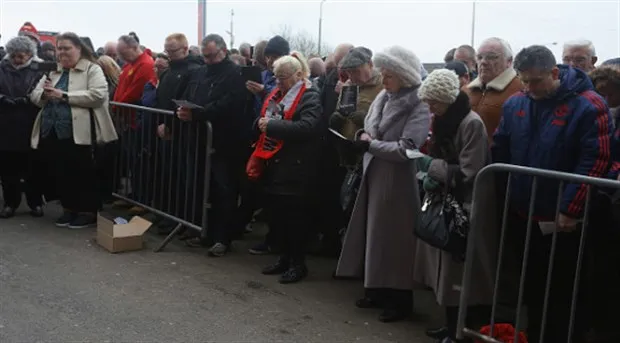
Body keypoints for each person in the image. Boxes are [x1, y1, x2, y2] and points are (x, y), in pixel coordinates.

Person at [493, 45, 612, 343]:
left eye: (536, 81)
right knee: (530, 284)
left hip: (563, 219)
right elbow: (502, 147)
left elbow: (595, 158)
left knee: (563, 289)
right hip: (523, 211)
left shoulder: (589, 105)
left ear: (554, 73)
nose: (530, 89)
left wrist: (570, 208)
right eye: (524, 81)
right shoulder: (515, 104)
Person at [335, 46, 431, 323]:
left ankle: (400, 299)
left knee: (396, 240)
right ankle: (375, 288)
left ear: (403, 74)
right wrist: (365, 135)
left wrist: (370, 143)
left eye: (389, 74)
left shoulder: (418, 103)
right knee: (374, 234)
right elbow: (371, 127)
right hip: (375, 173)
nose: (384, 78)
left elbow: (408, 148)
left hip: (398, 180)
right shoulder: (384, 96)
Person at [413, 69, 495, 342]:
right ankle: (451, 325)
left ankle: (464, 330)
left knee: (462, 271)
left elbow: (469, 170)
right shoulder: (444, 119)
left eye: (434, 101)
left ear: (448, 98)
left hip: (468, 204)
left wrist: (430, 168)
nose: (430, 107)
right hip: (449, 199)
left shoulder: (471, 123)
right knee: (447, 270)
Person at [29, 32, 118, 228]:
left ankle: (87, 211)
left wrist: (64, 95)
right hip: (52, 130)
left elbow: (98, 95)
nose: (62, 52)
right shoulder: (53, 71)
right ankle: (69, 209)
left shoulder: (92, 69)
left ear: (79, 49)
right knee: (60, 171)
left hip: (80, 130)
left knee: (82, 172)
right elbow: (35, 97)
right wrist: (44, 93)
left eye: (66, 48)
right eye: (59, 48)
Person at [251, 52, 323, 283]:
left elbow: (308, 126)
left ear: (299, 75)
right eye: (277, 78)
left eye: (283, 78)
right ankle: (284, 258)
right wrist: (261, 124)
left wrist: (272, 126)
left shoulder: (309, 95)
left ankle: (297, 263)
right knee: (278, 217)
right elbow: (266, 116)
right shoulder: (278, 94)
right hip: (275, 162)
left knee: (295, 219)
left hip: (296, 166)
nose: (278, 83)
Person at [176, 34, 249, 257]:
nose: (207, 60)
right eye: (204, 56)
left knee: (222, 191)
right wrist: (181, 111)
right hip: (198, 139)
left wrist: (199, 114)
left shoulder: (235, 74)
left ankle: (222, 238)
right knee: (199, 187)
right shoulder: (199, 72)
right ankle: (202, 231)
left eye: (211, 56)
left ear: (223, 51)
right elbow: (186, 94)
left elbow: (231, 104)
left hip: (224, 142)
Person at [0, 36, 46, 218]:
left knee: (32, 168)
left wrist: (27, 100)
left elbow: (41, 91)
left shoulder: (39, 69)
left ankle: (34, 202)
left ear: (30, 55)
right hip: (5, 122)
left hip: (30, 122)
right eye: (14, 56)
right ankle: (11, 202)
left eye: (21, 56)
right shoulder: (2, 68)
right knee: (7, 169)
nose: (17, 60)